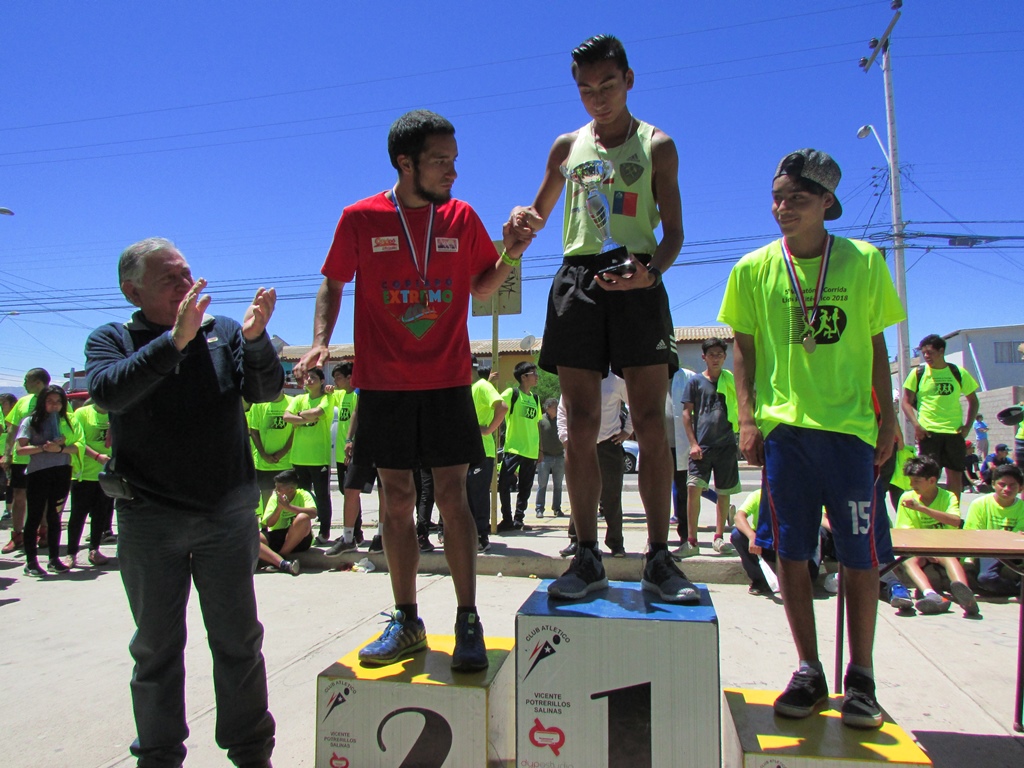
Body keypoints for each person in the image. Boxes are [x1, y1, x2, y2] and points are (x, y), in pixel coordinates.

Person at [293, 110, 531, 671]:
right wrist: (320, 340)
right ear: (406, 163)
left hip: (447, 381)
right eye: (440, 161)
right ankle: (407, 620)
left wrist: (512, 250)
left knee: (453, 499)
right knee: (396, 500)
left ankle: (468, 619)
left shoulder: (461, 216)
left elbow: (481, 287)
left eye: (454, 160)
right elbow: (333, 281)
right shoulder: (360, 218)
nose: (453, 171)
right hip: (384, 385)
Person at [720, 148, 905, 729]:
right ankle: (808, 669)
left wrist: (888, 418)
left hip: (851, 432)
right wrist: (748, 418)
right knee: (791, 553)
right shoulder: (753, 268)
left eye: (796, 199)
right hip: (786, 432)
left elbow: (875, 343)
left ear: (827, 203)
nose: (783, 209)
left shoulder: (864, 261)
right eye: (777, 199)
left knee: (859, 556)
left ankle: (862, 678)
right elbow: (744, 348)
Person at [510, 34, 691, 603]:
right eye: (586, 90)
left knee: (651, 421)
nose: (598, 98)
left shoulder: (658, 145)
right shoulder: (567, 146)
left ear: (629, 80)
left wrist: (650, 273)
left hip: (638, 277)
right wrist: (521, 221)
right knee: (581, 424)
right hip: (577, 282)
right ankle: (586, 555)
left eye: (608, 85)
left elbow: (675, 233)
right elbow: (538, 212)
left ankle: (658, 557)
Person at [85, 237, 278, 768]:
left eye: (186, 272)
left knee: (239, 642)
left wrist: (255, 340)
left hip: (226, 517)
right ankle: (159, 755)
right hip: (150, 520)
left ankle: (251, 753)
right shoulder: (112, 339)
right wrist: (174, 342)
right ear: (133, 291)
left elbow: (264, 391)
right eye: (168, 277)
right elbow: (108, 392)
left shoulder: (224, 333)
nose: (184, 284)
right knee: (155, 650)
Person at [556, 373, 633, 558]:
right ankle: (576, 541)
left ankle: (616, 543)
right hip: (581, 443)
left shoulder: (616, 380)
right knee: (580, 494)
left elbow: (634, 404)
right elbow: (562, 409)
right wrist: (565, 438)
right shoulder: (577, 376)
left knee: (612, 495)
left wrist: (627, 431)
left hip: (609, 445)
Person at [679, 337, 740, 557]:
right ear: (704, 357)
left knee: (724, 492)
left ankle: (719, 537)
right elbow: (687, 414)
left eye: (720, 354)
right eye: (712, 354)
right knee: (693, 489)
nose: (716, 358)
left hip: (726, 446)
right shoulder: (695, 382)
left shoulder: (730, 379)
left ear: (725, 357)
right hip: (701, 447)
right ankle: (691, 541)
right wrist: (693, 444)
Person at [894, 456, 977, 616]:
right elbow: (906, 532)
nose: (912, 485)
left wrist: (922, 509)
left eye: (917, 481)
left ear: (932, 480)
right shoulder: (906, 498)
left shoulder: (948, 497)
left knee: (948, 557)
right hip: (919, 547)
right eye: (910, 480)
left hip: (943, 546)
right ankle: (930, 594)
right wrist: (925, 549)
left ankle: (965, 595)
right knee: (909, 561)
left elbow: (955, 521)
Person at [901, 333, 979, 499]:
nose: (926, 356)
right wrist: (916, 425)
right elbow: (906, 402)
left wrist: (967, 426)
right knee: (928, 477)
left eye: (930, 352)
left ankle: (952, 511)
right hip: (929, 433)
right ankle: (930, 511)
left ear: (941, 351)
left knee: (955, 476)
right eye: (924, 353)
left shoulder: (958, 372)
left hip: (954, 433)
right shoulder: (918, 373)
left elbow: (974, 401)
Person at [15, 385, 81, 576]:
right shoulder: (30, 421)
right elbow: (20, 449)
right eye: (50, 401)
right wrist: (44, 447)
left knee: (55, 517)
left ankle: (54, 559)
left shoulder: (67, 421)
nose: (54, 405)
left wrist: (61, 447)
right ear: (42, 402)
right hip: (39, 472)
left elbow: (78, 446)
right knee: (35, 516)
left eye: (59, 402)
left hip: (62, 471)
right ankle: (31, 562)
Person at [731, 490, 820, 596]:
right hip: (765, 543)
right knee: (737, 535)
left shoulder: (797, 495)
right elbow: (738, 516)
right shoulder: (758, 495)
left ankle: (802, 578)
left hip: (791, 545)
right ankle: (760, 580)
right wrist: (752, 536)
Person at [2, 368, 51, 554]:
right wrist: (7, 454)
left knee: (44, 496)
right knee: (19, 496)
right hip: (22, 458)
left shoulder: (55, 399)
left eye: (26, 380)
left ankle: (43, 532)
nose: (24, 384)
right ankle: (17, 535)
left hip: (45, 458)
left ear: (38, 382)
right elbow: (12, 431)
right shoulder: (23, 402)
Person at [283, 367, 334, 544]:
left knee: (321, 496)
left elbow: (318, 413)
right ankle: (304, 534)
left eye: (313, 378)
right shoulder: (299, 399)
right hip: (299, 457)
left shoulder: (327, 397)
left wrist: (298, 417)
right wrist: (305, 418)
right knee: (301, 497)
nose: (309, 380)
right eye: (307, 378)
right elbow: (286, 416)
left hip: (318, 458)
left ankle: (324, 532)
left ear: (322, 381)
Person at [66, 400, 114, 567]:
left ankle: (94, 549)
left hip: (106, 475)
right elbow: (78, 441)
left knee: (100, 514)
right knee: (78, 515)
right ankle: (71, 553)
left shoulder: (116, 413)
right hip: (84, 474)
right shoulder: (82, 413)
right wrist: (97, 456)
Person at [963, 463, 1024, 595]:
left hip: (1014, 552)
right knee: (986, 578)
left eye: (1012, 485)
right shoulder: (979, 504)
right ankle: (1017, 589)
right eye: (1002, 484)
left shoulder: (1022, 508)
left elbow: (1019, 537)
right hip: (989, 550)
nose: (1007, 489)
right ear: (993, 484)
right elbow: (973, 534)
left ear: (1020, 487)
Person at [497, 361, 542, 532]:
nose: (537, 377)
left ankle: (518, 519)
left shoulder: (535, 399)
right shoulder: (512, 393)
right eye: (534, 374)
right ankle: (507, 518)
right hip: (514, 448)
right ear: (524, 377)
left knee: (525, 487)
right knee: (504, 484)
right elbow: (496, 405)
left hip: (531, 450)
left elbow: (537, 425)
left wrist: (540, 449)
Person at [468, 363, 508, 553]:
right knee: (467, 496)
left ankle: (481, 537)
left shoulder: (482, 386)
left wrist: (489, 429)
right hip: (468, 452)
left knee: (478, 496)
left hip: (482, 451)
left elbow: (502, 406)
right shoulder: (471, 388)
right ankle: (471, 536)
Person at [257, 469, 314, 575]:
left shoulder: (303, 494)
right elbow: (269, 523)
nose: (276, 490)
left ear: (291, 489)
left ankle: (281, 557)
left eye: (279, 488)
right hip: (278, 535)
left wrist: (289, 507)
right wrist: (279, 508)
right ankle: (281, 563)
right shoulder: (275, 498)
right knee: (254, 538)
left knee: (303, 518)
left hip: (300, 539)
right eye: (275, 487)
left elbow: (313, 513)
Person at [247, 389, 294, 510]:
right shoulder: (258, 404)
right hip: (263, 463)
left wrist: (282, 452)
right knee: (265, 495)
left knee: (286, 495)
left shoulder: (293, 402)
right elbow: (254, 431)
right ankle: (267, 520)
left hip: (285, 461)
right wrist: (264, 455)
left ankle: (284, 520)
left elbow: (295, 430)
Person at [534, 398, 565, 519]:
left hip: (559, 456)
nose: (557, 409)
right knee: (542, 484)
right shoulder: (541, 420)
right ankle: (539, 509)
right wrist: (539, 452)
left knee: (558, 485)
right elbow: (538, 437)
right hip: (545, 457)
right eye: (554, 407)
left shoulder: (560, 420)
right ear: (547, 408)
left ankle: (557, 508)